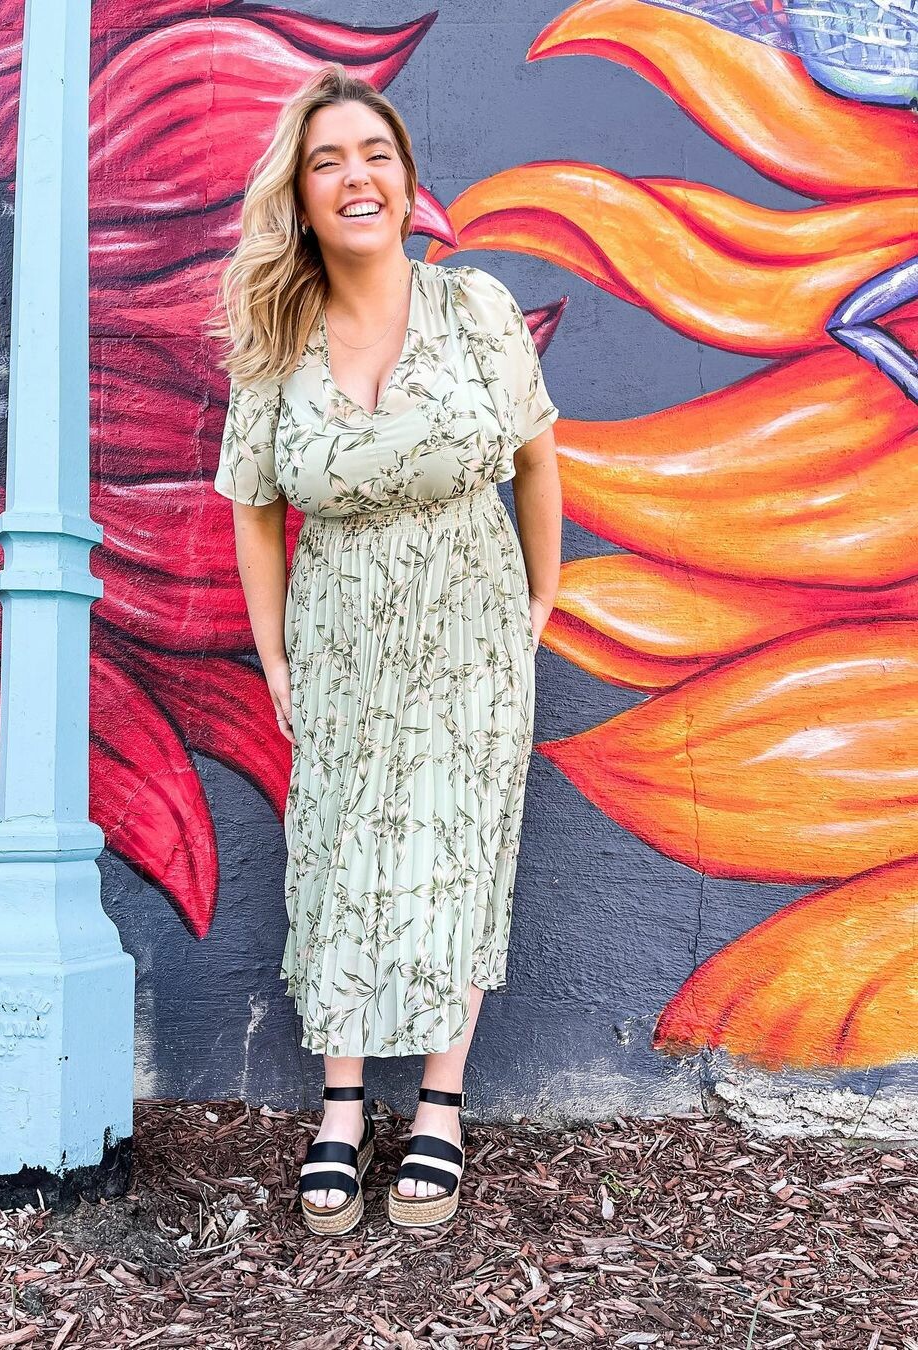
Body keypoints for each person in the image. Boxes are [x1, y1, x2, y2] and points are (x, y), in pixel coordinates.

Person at [209, 63, 563, 1235]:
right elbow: (255, 507)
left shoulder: (476, 309)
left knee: (461, 849)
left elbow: (537, 455)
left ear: (407, 183)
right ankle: (344, 1105)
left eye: (375, 155)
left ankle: (441, 1107)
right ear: (302, 197)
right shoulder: (276, 340)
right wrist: (274, 657)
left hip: (471, 626)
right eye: (328, 161)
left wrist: (540, 600)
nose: (355, 177)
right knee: (341, 852)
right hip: (339, 634)